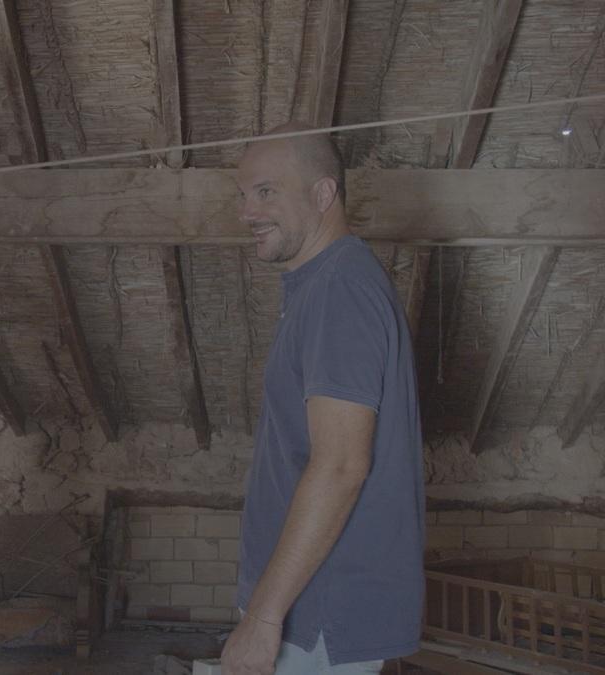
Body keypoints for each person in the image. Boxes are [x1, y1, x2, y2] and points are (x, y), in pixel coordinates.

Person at [220, 123, 424, 674]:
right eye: (244, 194)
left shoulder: (340, 290)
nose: (247, 212)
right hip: (305, 608)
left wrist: (264, 618)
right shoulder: (322, 284)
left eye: (266, 191)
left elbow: (340, 466)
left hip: (315, 615)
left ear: (323, 193)